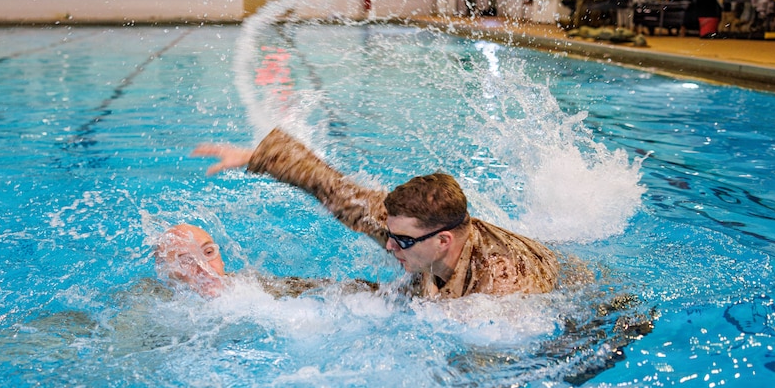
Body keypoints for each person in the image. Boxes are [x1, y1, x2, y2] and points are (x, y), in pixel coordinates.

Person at [192, 128, 560, 299]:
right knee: (334, 294)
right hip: (437, 281)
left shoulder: (507, 288)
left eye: (400, 241)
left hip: (569, 299)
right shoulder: (416, 228)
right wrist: (255, 157)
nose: (388, 246)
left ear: (443, 241)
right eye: (389, 233)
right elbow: (335, 189)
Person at [153, 222, 377, 299]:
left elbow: (326, 289)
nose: (205, 268)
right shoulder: (151, 303)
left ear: (222, 259)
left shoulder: (255, 288)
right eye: (186, 261)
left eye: (208, 253)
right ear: (166, 271)